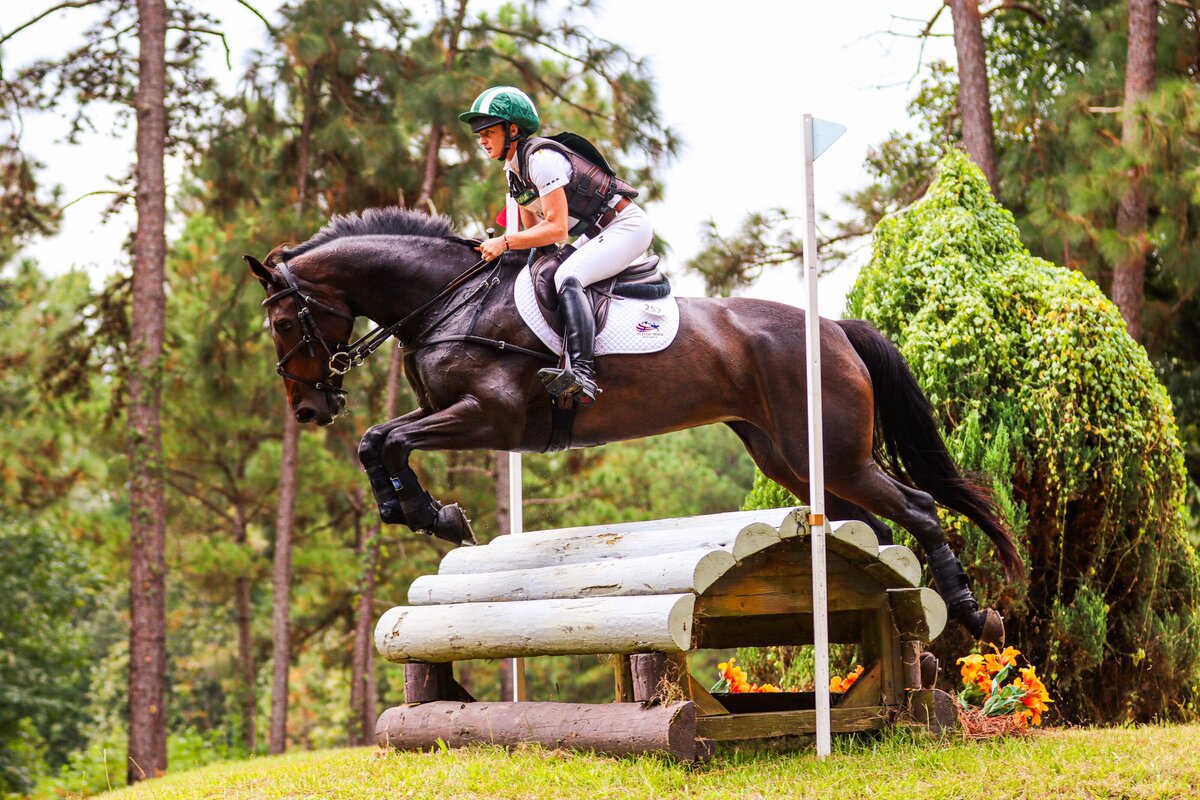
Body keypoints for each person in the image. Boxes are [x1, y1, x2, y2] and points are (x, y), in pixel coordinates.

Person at [460, 86, 653, 405]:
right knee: (546, 273)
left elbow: (557, 228)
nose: (481, 139)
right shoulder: (514, 171)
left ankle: (583, 372)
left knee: (568, 278)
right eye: (479, 133)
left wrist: (504, 242)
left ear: (512, 130)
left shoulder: (541, 160)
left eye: (488, 131)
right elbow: (534, 236)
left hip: (626, 226)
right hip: (597, 231)